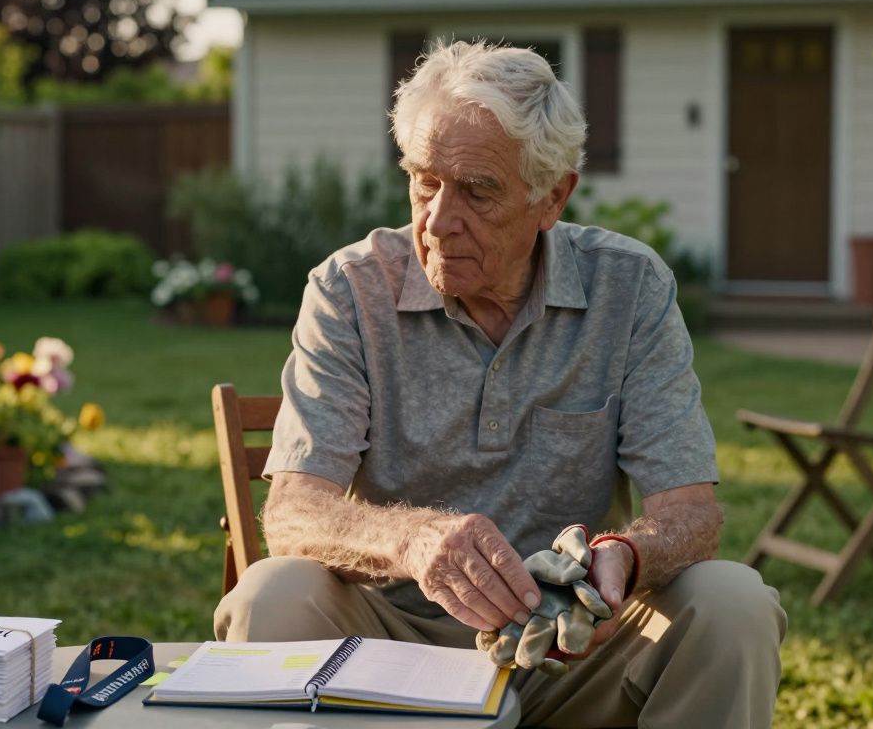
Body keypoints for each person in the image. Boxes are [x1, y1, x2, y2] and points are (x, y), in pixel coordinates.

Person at [214, 40, 786, 728]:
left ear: (553, 197)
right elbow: (293, 514)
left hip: (570, 655)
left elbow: (692, 515)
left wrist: (628, 557)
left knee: (733, 602)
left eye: (477, 192)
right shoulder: (349, 288)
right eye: (424, 180)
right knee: (272, 595)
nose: (436, 219)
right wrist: (414, 541)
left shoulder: (628, 288)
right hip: (387, 645)